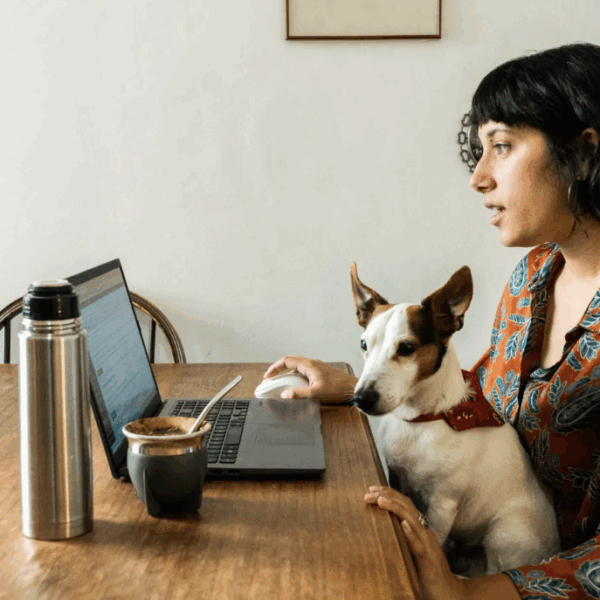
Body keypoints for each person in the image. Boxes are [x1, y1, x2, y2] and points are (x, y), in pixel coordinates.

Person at [264, 43, 600, 599]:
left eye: (503, 146)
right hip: (475, 563)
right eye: (479, 150)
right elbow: (477, 402)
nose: (478, 177)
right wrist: (367, 387)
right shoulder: (534, 275)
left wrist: (475, 593)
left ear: (584, 153)